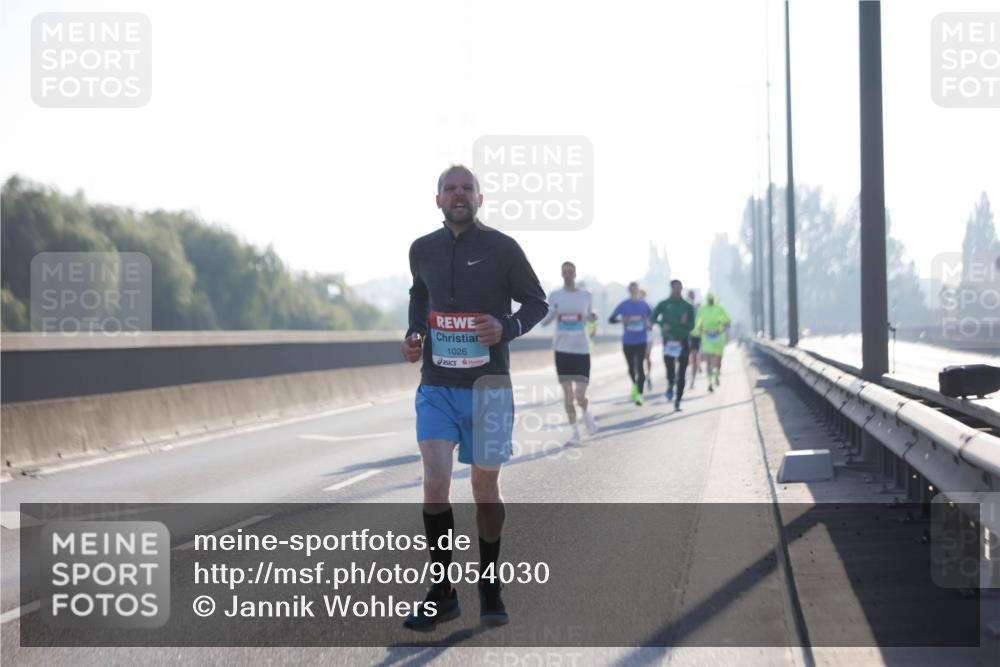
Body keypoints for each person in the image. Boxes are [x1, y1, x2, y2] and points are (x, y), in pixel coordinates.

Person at [401, 164, 548, 630]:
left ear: (480, 199)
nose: (458, 194)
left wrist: (506, 327)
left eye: (467, 188)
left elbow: (537, 303)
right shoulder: (421, 249)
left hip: (489, 387)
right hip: (437, 386)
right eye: (450, 189)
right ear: (438, 199)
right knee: (435, 480)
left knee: (485, 490)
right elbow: (418, 296)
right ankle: (442, 591)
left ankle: (489, 581)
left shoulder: (503, 248)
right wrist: (413, 333)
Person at [541, 262, 599, 444]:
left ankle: (586, 414)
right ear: (561, 274)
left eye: (570, 271)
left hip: (581, 349)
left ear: (575, 273)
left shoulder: (585, 295)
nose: (567, 274)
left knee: (580, 395)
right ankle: (575, 433)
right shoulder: (555, 295)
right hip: (562, 350)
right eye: (564, 271)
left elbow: (589, 315)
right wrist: (554, 312)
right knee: (568, 395)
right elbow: (544, 322)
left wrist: (592, 316)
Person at [651, 279, 695, 411]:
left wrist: (685, 323)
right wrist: (661, 325)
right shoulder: (664, 304)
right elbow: (653, 318)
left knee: (682, 373)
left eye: (679, 288)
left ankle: (678, 400)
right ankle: (670, 383)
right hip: (669, 342)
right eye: (674, 288)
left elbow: (692, 325)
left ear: (682, 289)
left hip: (682, 341)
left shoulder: (687, 306)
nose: (677, 290)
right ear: (671, 288)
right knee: (670, 369)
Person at [608, 282, 652, 405]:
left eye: (635, 289)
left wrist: (649, 323)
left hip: (641, 340)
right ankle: (635, 384)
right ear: (629, 290)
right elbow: (611, 319)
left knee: (640, 367)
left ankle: (640, 394)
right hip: (627, 341)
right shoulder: (623, 305)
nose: (634, 291)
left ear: (638, 290)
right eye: (631, 289)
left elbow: (653, 316)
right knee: (631, 368)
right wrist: (622, 319)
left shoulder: (644, 305)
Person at [693, 292, 731, 392]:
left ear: (714, 299)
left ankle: (717, 373)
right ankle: (710, 382)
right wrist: (698, 330)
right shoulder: (702, 309)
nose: (710, 301)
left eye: (712, 299)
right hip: (707, 336)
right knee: (709, 361)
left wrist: (724, 325)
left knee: (718, 360)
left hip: (719, 336)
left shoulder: (720, 308)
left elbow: (728, 319)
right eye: (709, 300)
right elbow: (698, 321)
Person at [686, 289, 702, 388]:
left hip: (696, 335)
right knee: (686, 359)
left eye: (692, 295)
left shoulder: (698, 307)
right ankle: (684, 378)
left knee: (695, 357)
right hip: (686, 335)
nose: (691, 297)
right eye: (690, 295)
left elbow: (702, 320)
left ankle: (692, 380)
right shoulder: (684, 306)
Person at [639, 289, 654, 391]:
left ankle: (648, 375)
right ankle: (641, 377)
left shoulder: (649, 306)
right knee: (639, 359)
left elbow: (652, 320)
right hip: (637, 337)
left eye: (642, 295)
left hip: (648, 337)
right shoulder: (635, 307)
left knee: (647, 357)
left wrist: (649, 325)